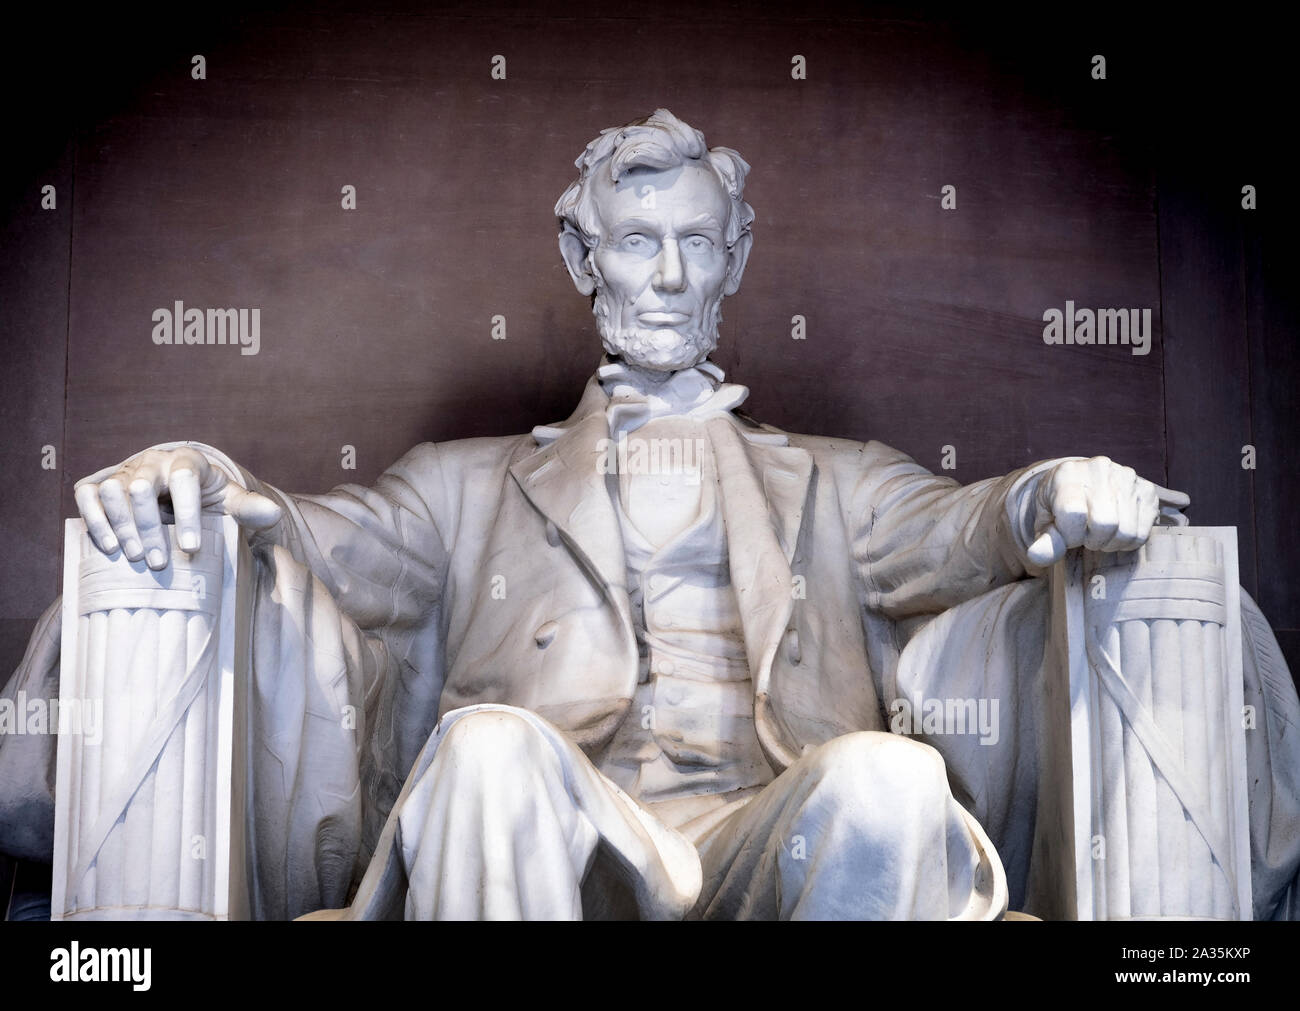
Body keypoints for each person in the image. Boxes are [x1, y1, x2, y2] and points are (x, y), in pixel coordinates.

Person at [4, 109, 1298, 920]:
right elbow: (312, 534)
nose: (669, 274)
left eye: (697, 243)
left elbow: (963, 528)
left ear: (735, 260)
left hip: (765, 834)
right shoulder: (464, 485)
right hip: (557, 831)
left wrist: (1047, 492)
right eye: (636, 242)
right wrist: (201, 471)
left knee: (895, 778)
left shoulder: (836, 479)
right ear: (586, 260)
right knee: (486, 751)